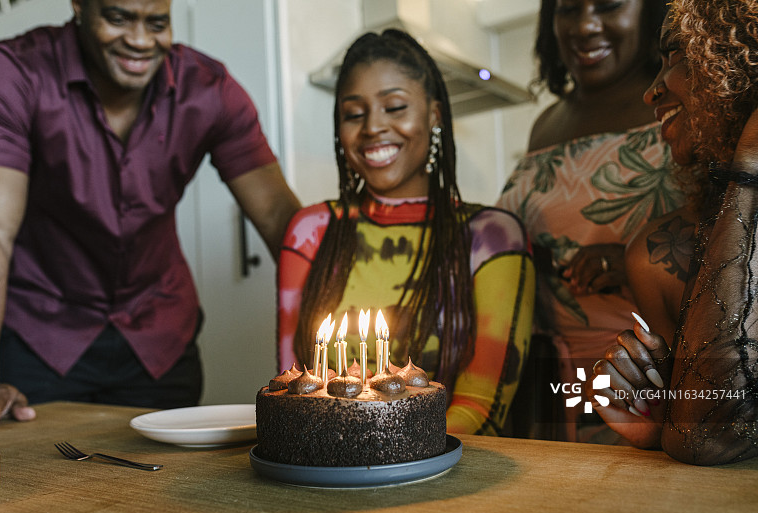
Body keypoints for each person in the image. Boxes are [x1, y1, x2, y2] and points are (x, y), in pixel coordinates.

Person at [0, 0, 301, 434]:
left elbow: (278, 217)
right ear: (79, 6)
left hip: (159, 340)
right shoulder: (12, 73)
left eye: (157, 23)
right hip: (40, 337)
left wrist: (333, 359)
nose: (140, 41)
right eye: (118, 18)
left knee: (158, 493)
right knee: (43, 490)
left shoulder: (210, 89)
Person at [276, 29, 536, 436]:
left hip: (442, 472)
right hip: (324, 467)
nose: (373, 127)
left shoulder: (492, 238)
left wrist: (387, 453)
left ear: (434, 115)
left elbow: (481, 406)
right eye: (354, 114)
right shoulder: (312, 231)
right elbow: (294, 389)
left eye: (395, 106)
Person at [495, 0, 682, 442]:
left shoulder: (677, 104)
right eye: (568, 9)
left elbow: (736, 241)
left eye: (609, 5)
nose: (585, 25)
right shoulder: (545, 125)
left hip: (640, 389)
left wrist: (639, 260)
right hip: (545, 394)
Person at [593, 0, 758, 465]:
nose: (652, 91)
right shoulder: (660, 255)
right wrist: (665, 417)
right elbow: (704, 437)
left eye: (679, 53)